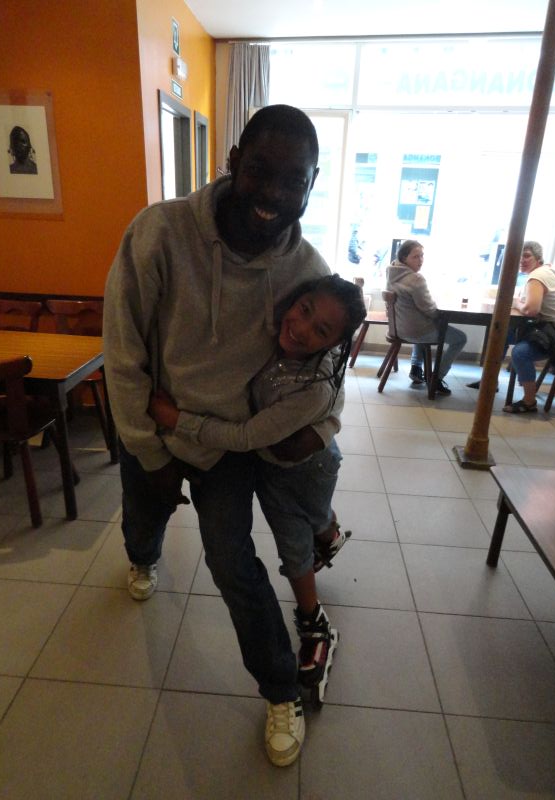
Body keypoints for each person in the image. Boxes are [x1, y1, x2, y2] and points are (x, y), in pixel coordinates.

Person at [103, 105, 339, 768]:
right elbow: (122, 348)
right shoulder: (160, 232)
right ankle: (142, 557)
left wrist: (321, 428)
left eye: (294, 181)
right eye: (261, 170)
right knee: (142, 519)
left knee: (233, 564)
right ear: (234, 161)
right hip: (155, 423)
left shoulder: (306, 269)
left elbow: (329, 370)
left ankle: (281, 689)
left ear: (311, 186)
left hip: (229, 445)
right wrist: (146, 447)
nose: (274, 193)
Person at [147, 274, 366, 702]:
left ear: (333, 344)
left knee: (293, 544)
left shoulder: (313, 387)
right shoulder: (272, 333)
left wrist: (177, 420)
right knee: (315, 517)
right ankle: (328, 532)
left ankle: (314, 622)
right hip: (279, 466)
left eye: (320, 330)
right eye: (304, 310)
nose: (301, 328)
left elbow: (247, 437)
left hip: (303, 470)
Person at [386, 239, 467, 395]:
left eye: (422, 256)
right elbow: (430, 310)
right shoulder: (416, 279)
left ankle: (416, 368)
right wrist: (439, 314)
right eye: (415, 256)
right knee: (460, 338)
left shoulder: (392, 272)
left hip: (398, 328)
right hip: (416, 331)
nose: (420, 260)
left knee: (421, 321)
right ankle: (437, 377)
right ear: (404, 258)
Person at [503, 241, 555, 413]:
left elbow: (531, 310)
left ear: (538, 258)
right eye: (519, 256)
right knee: (503, 334)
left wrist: (517, 303)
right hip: (553, 331)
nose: (521, 260)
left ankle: (529, 401)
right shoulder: (541, 273)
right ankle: (489, 381)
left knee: (520, 352)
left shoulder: (537, 276)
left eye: (526, 256)